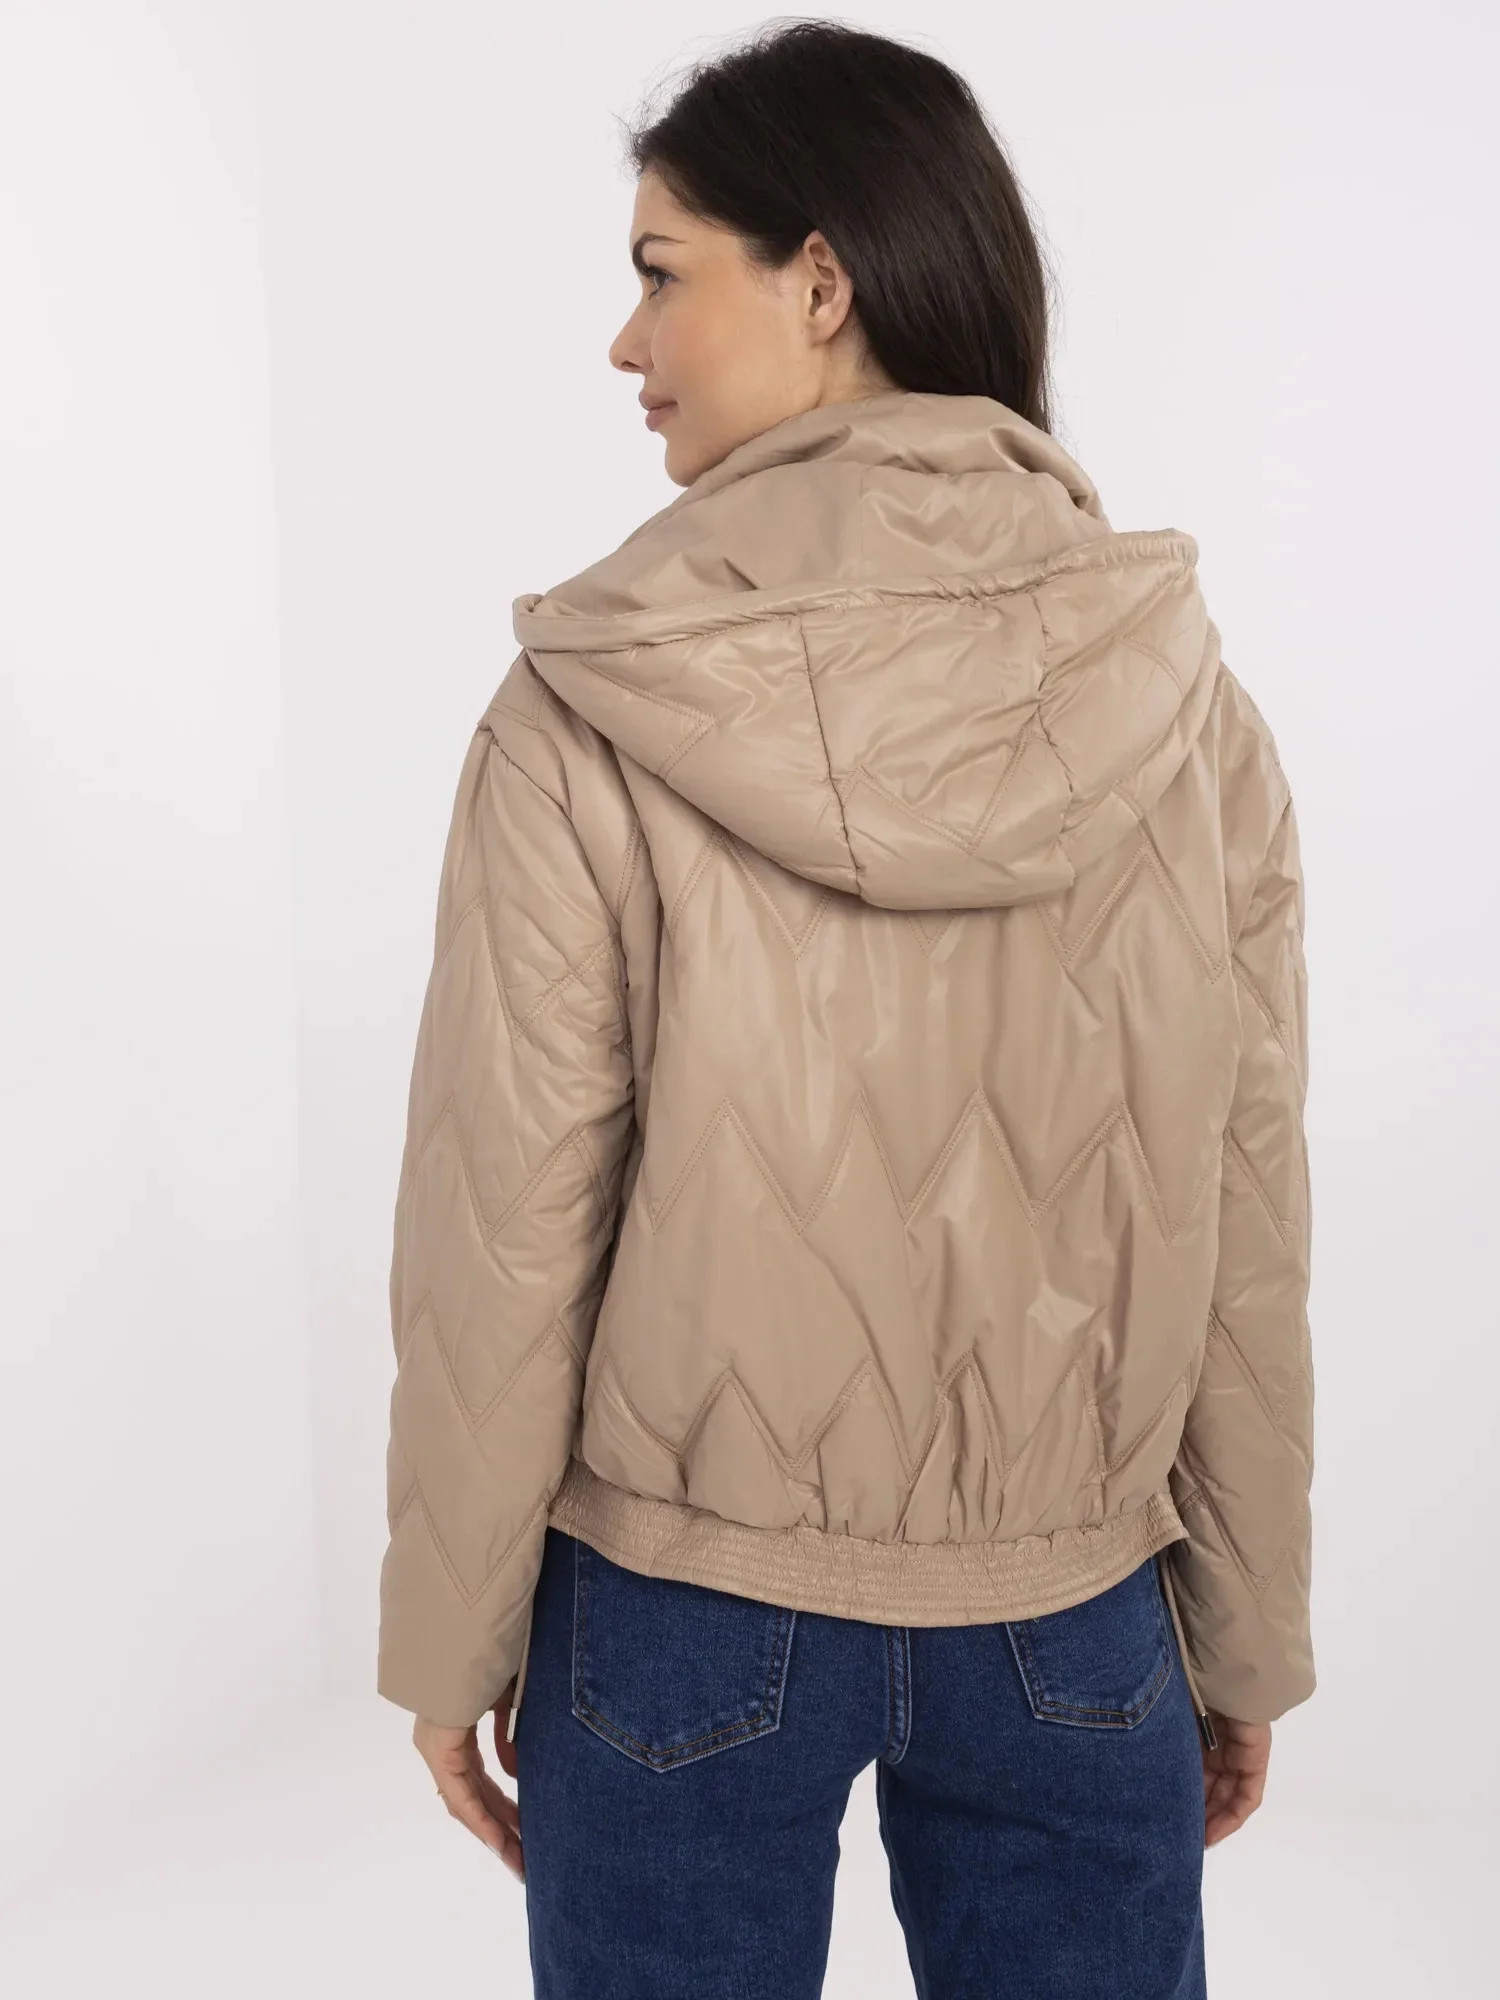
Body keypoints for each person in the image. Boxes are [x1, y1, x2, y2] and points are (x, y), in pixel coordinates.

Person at [375, 20, 1315, 1999]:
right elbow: (1241, 1213)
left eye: (659, 272)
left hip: (678, 1609)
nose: (624, 342)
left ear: (822, 280)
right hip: (1075, 1608)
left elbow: (508, 1219)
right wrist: (1244, 1630)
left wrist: (451, 1638)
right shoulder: (1186, 709)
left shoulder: (587, 706)